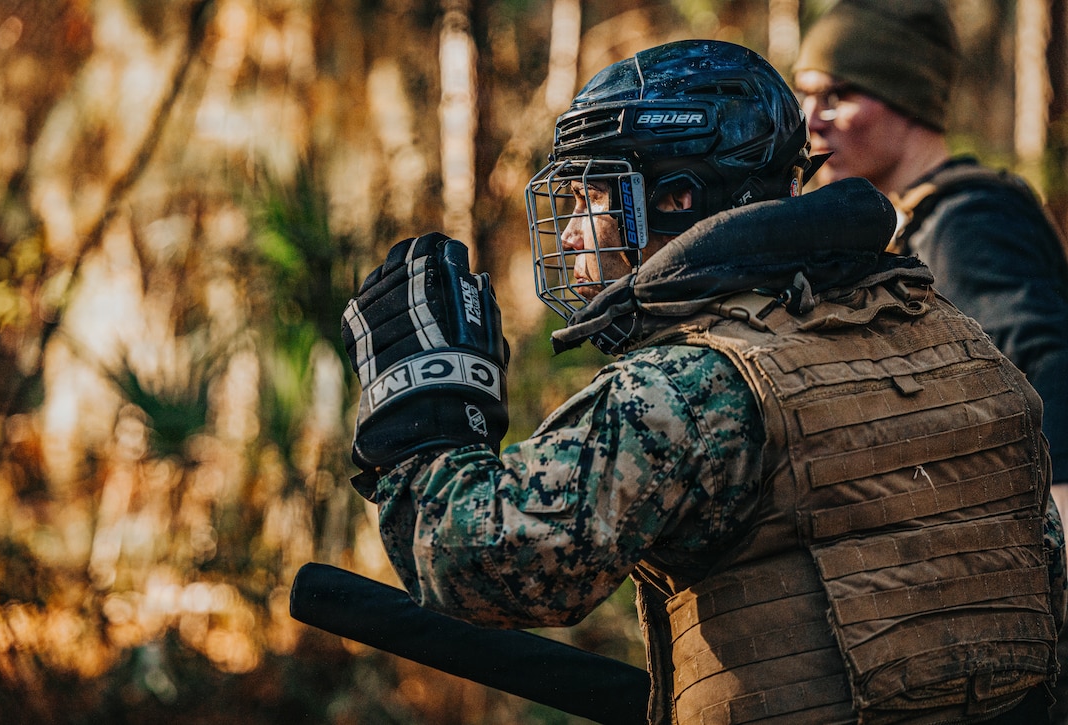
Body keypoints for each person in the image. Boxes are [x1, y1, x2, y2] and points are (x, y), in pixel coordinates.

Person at [340, 40, 1065, 724]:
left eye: (590, 198)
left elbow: (483, 562)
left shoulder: (696, 382)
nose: (567, 236)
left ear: (676, 201)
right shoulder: (954, 335)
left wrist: (423, 423)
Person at [791, 0, 1068, 497]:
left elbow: (1050, 369)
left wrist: (1062, 520)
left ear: (907, 97)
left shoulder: (965, 223)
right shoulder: (909, 220)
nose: (812, 121)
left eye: (836, 95)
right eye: (804, 96)